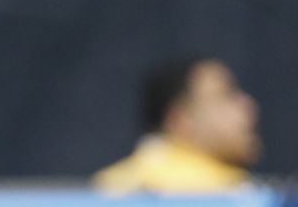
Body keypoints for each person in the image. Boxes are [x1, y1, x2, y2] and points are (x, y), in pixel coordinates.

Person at [93, 57, 261, 194]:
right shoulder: (229, 193)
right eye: (226, 96)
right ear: (179, 120)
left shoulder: (106, 186)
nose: (248, 106)